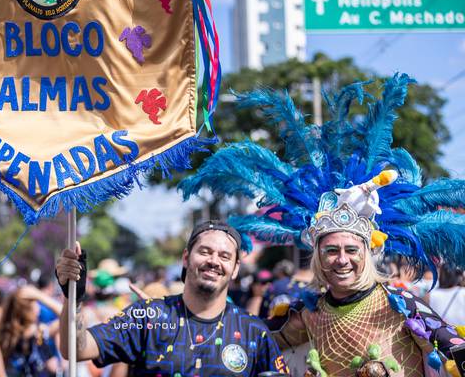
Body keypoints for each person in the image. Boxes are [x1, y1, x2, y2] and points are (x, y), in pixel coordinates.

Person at [178, 75, 465, 376]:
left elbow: (454, 347)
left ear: (367, 253)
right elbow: (252, 341)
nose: (342, 259)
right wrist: (185, 316)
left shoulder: (399, 302)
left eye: (351, 250)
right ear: (318, 257)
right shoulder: (309, 311)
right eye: (331, 251)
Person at [55, 220, 289, 375]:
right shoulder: (147, 316)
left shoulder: (254, 331)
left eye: (224, 256)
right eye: (205, 251)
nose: (214, 261)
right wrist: (72, 297)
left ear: (235, 268)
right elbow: (75, 348)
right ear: (186, 258)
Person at [0, 285, 58, 376]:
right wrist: (40, 296)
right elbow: (69, 315)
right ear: (28, 311)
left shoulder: (5, 335)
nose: (39, 308)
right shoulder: (39, 333)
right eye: (35, 303)